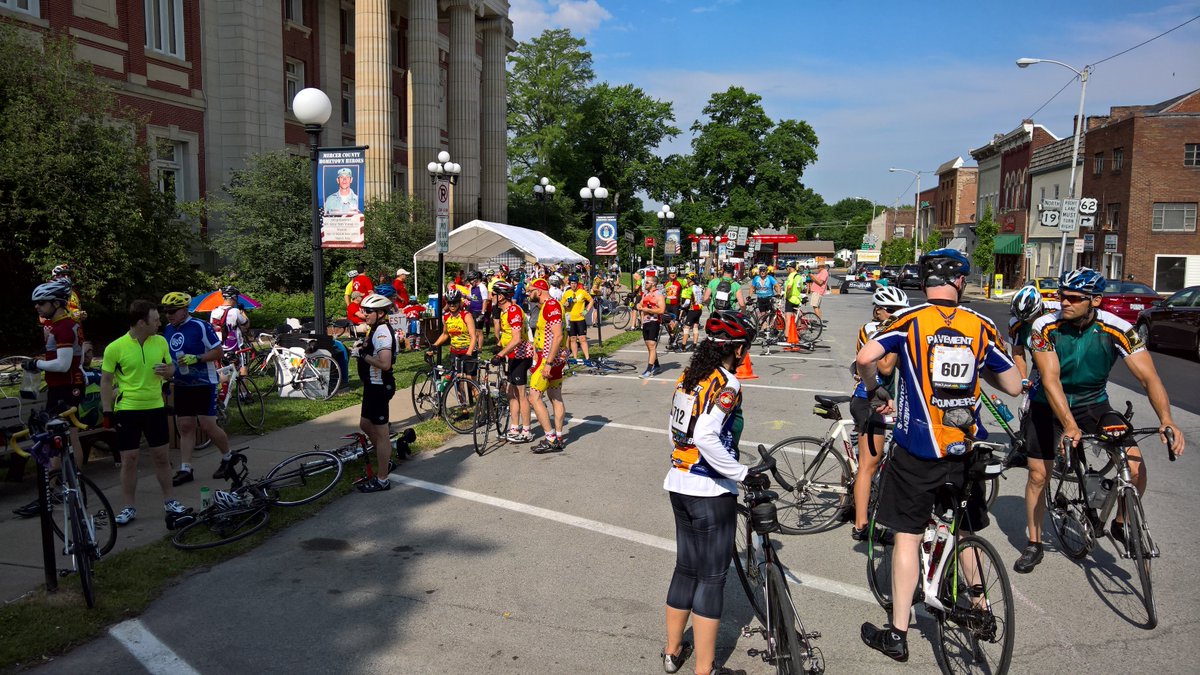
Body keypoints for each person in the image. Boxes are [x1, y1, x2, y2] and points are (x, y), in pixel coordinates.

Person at [856, 248, 1022, 662]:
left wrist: (875, 388)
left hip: (918, 449)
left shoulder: (910, 320)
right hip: (964, 448)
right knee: (964, 528)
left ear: (925, 280)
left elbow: (864, 358)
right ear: (961, 281)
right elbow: (1015, 386)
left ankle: (897, 633)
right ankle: (981, 608)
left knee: (907, 537)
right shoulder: (980, 325)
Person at [1015, 267, 1186, 573]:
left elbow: (1149, 377)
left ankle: (1120, 523)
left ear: (1094, 300)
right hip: (1048, 404)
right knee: (1039, 474)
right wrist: (1068, 425)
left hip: (1093, 403)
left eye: (1073, 298)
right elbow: (1051, 380)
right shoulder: (1044, 326)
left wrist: (1167, 419)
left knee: (1134, 467)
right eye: (1060, 295)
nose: (1063, 302)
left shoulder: (1118, 328)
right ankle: (1034, 542)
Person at [661, 310, 757, 675]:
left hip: (679, 481)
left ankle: (672, 652)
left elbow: (675, 429)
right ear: (736, 348)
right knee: (712, 576)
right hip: (709, 489)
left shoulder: (690, 376)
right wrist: (742, 472)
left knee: (686, 567)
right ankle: (705, 668)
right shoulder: (727, 383)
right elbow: (705, 436)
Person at [101, 300, 193, 528]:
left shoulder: (160, 341)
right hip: (128, 410)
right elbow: (106, 381)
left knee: (161, 457)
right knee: (129, 460)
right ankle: (128, 507)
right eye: (155, 320)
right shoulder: (115, 347)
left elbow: (172, 369)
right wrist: (107, 412)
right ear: (141, 323)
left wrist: (168, 371)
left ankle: (170, 501)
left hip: (154, 408)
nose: (160, 323)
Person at [13, 281, 87, 519]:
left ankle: (58, 489)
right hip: (64, 385)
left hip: (67, 386)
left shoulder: (64, 326)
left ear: (57, 303)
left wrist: (36, 364)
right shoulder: (60, 325)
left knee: (62, 435)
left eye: (42, 303)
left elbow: (63, 364)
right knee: (63, 435)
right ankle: (67, 486)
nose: (37, 307)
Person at [848, 286, 908, 540]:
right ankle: (861, 525)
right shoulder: (874, 329)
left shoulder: (889, 328)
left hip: (881, 400)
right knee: (868, 464)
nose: (897, 315)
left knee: (861, 455)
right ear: (879, 310)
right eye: (892, 311)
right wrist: (896, 338)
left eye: (900, 311)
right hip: (869, 400)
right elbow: (884, 367)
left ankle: (847, 501)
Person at [161, 292, 236, 488]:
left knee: (207, 425)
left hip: (204, 382)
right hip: (182, 383)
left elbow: (218, 351)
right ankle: (186, 468)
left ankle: (228, 457)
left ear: (184, 310)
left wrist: (198, 358)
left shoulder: (200, 326)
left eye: (172, 311)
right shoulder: (168, 329)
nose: (168, 315)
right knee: (185, 426)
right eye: (165, 311)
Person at [353, 293, 399, 492]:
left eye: (368, 311)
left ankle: (382, 479)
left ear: (381, 313)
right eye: (364, 310)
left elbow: (385, 364)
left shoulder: (382, 332)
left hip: (380, 385)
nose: (364, 314)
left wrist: (363, 355)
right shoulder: (375, 328)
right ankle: (385, 459)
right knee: (365, 424)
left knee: (381, 434)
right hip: (372, 385)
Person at [490, 281, 535, 443]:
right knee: (510, 393)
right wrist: (499, 346)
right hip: (512, 356)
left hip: (521, 356)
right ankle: (514, 428)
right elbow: (507, 335)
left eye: (493, 294)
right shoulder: (504, 312)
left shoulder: (514, 311)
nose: (491, 297)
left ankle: (527, 431)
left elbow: (516, 338)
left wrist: (500, 355)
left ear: (501, 296)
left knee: (521, 395)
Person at [527, 278, 568, 453]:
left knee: (534, 397)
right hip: (553, 358)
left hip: (549, 359)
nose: (528, 294)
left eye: (530, 291)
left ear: (540, 290)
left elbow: (557, 336)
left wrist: (548, 363)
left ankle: (550, 438)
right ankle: (558, 437)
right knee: (555, 397)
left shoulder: (551, 306)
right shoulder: (548, 306)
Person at [427, 289, 477, 377]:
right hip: (455, 352)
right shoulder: (446, 317)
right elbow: (445, 334)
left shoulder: (466, 315)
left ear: (459, 302)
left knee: (470, 381)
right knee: (457, 381)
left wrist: (469, 353)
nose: (452, 305)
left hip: (468, 351)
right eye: (449, 303)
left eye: (455, 302)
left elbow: (473, 336)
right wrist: (434, 345)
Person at [209, 286, 250, 375]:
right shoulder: (235, 311)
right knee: (243, 367)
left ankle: (225, 388)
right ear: (233, 297)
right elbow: (246, 325)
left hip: (221, 347)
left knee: (224, 371)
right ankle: (243, 389)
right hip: (237, 346)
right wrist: (243, 312)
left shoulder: (214, 311)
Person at [562, 274, 594, 366]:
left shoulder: (582, 292)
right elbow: (562, 304)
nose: (573, 285)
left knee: (582, 338)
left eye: (575, 283)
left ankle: (587, 357)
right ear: (570, 284)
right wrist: (566, 304)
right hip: (570, 319)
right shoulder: (567, 293)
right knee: (572, 339)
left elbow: (591, 300)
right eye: (572, 283)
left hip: (580, 318)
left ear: (577, 284)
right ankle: (575, 358)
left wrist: (586, 311)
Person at [639, 275, 666, 378]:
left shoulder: (659, 295)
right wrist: (638, 306)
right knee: (649, 346)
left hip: (654, 321)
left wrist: (648, 310)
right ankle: (657, 365)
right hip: (645, 322)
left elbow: (662, 310)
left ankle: (649, 370)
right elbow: (640, 304)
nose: (645, 284)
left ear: (653, 284)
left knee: (651, 345)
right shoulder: (645, 294)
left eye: (647, 282)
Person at [680, 272, 705, 351]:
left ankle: (683, 346)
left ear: (690, 280)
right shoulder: (699, 288)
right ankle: (694, 345)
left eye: (687, 278)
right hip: (699, 310)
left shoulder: (690, 289)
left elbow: (687, 302)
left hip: (692, 310)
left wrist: (682, 306)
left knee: (686, 328)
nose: (686, 280)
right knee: (695, 327)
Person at [663, 267, 683, 347]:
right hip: (667, 305)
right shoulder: (666, 283)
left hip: (676, 305)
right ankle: (671, 336)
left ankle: (674, 338)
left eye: (674, 273)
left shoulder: (680, 282)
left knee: (675, 322)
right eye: (671, 274)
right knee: (668, 323)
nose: (673, 275)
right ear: (669, 275)